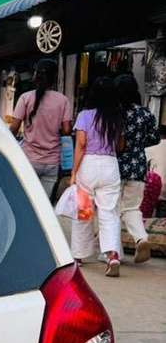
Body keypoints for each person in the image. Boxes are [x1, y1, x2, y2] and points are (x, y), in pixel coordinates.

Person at [71, 77, 124, 277]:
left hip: (88, 166)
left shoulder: (85, 116)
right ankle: (112, 255)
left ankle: (78, 255)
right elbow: (120, 146)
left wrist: (74, 173)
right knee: (109, 213)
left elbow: (81, 145)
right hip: (110, 165)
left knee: (84, 211)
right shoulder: (116, 117)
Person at [115, 73, 161, 264]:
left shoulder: (114, 113)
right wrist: (138, 143)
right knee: (132, 208)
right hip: (138, 166)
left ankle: (113, 252)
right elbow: (155, 138)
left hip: (115, 166)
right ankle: (141, 238)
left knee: (112, 210)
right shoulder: (145, 114)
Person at [10, 58, 72, 197]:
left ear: (35, 75)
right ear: (54, 78)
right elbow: (67, 130)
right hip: (52, 162)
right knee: (42, 204)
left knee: (25, 201)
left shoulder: (25, 98)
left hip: (29, 159)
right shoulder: (63, 100)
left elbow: (14, 128)